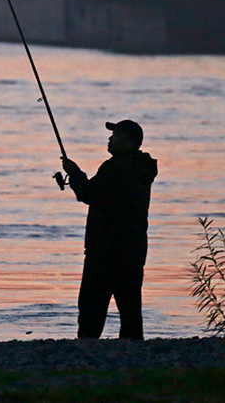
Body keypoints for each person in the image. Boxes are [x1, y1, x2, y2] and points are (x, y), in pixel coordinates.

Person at [61, 119, 158, 340]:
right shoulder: (142, 168)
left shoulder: (115, 168)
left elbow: (88, 194)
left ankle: (87, 353)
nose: (110, 139)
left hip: (104, 250)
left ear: (129, 141)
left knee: (91, 310)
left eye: (115, 136)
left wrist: (75, 173)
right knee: (130, 309)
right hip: (133, 250)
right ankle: (133, 355)